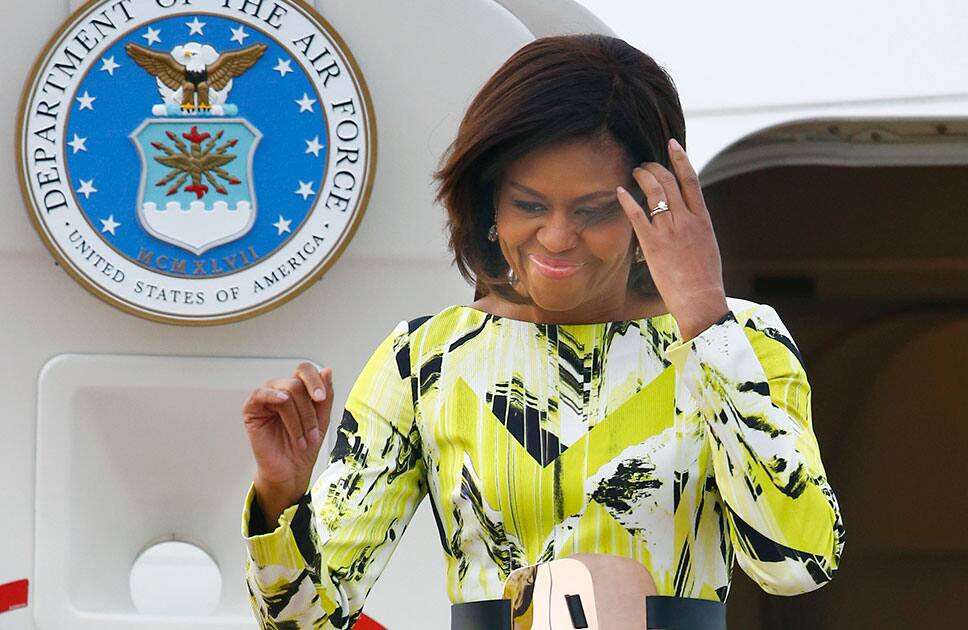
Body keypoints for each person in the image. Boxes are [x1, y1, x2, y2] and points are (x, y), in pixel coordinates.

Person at [240, 33, 845, 630]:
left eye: (593, 210)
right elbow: (305, 624)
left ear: (653, 199)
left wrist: (704, 318)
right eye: (530, 205)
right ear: (488, 205)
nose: (557, 237)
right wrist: (280, 494)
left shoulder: (740, 340)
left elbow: (798, 563)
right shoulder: (426, 358)